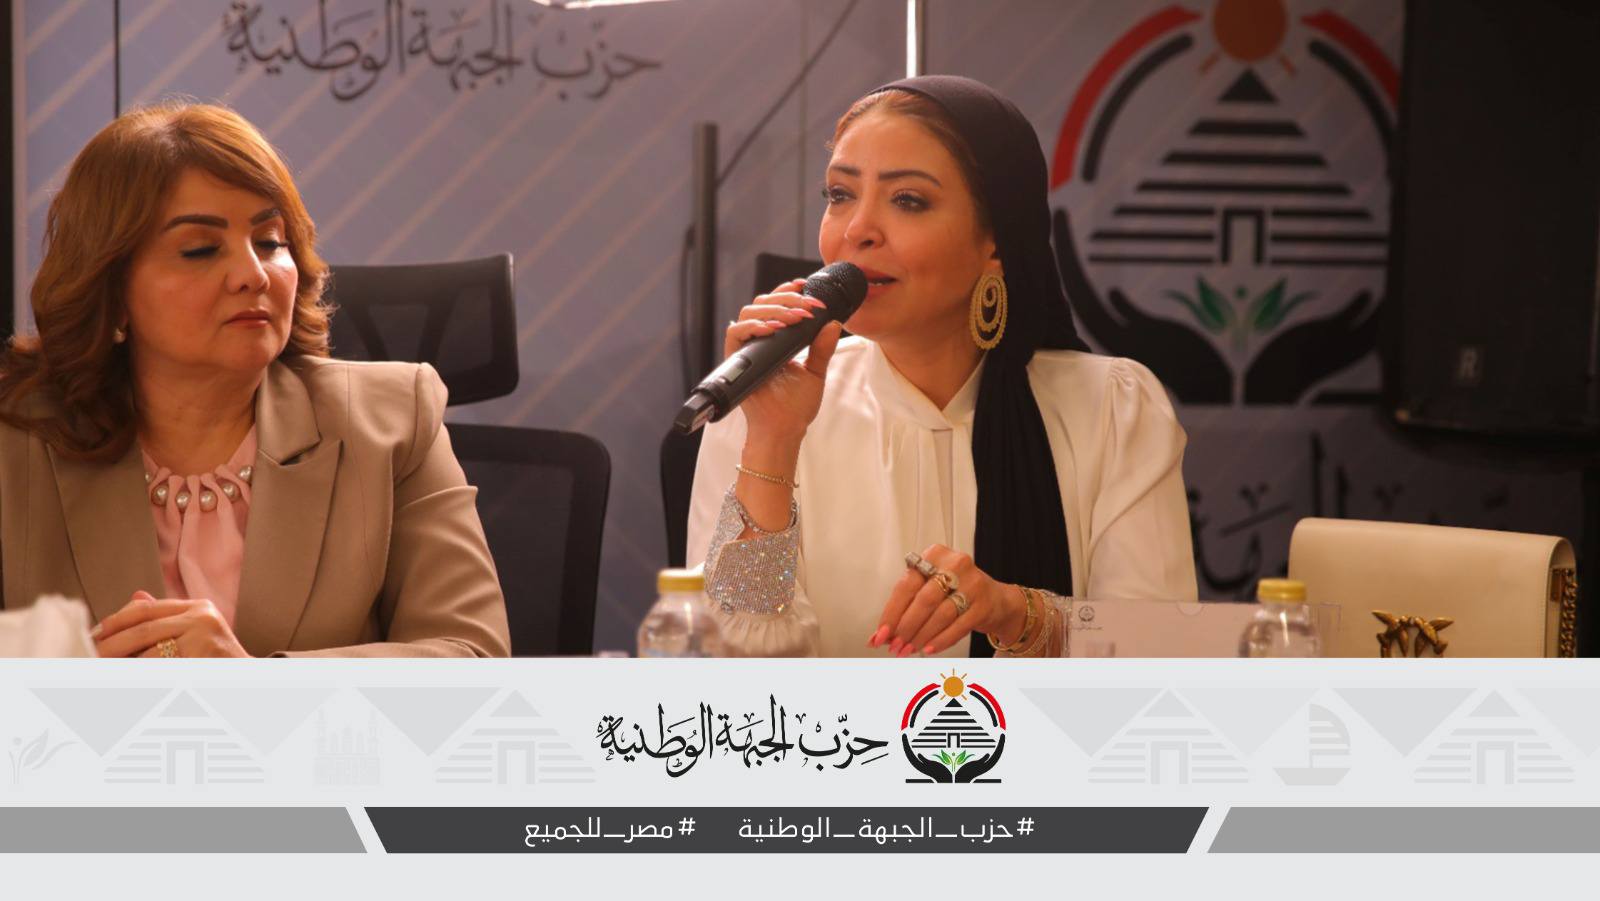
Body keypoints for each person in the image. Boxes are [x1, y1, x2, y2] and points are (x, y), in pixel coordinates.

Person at [686, 76, 1197, 658]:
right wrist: (773, 442)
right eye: (839, 194)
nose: (857, 230)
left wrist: (1016, 615)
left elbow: (1165, 659)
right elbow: (731, 682)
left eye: (908, 200)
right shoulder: (764, 403)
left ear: (996, 241)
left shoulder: (1113, 408)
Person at [0, 103, 510, 658]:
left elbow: (472, 655)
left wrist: (255, 686)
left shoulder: (393, 421)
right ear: (111, 290)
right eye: (200, 250)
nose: (253, 274)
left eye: (270, 241)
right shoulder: (15, 444)